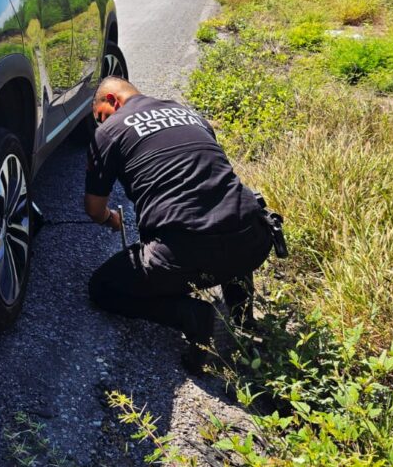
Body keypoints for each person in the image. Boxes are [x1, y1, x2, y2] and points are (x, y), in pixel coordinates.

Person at [83, 76, 272, 372]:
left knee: (102, 287)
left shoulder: (111, 130)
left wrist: (109, 217)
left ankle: (192, 316)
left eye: (100, 116)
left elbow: (94, 208)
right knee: (225, 210)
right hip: (256, 238)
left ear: (112, 101)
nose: (101, 124)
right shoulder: (190, 114)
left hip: (186, 253)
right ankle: (243, 318)